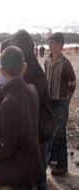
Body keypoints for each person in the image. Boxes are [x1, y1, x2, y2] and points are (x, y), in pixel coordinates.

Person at [0, 46, 41, 189]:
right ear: (24, 67)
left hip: (14, 170)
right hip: (29, 164)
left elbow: (7, 144)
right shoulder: (32, 90)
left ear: (2, 71)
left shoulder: (9, 103)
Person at [44, 32, 76, 176]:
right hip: (50, 100)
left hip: (61, 102)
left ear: (60, 45)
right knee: (51, 130)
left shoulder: (65, 64)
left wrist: (67, 98)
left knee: (60, 133)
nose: (49, 45)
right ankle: (53, 156)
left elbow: (72, 83)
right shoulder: (47, 61)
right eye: (49, 42)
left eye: (52, 43)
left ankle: (63, 165)